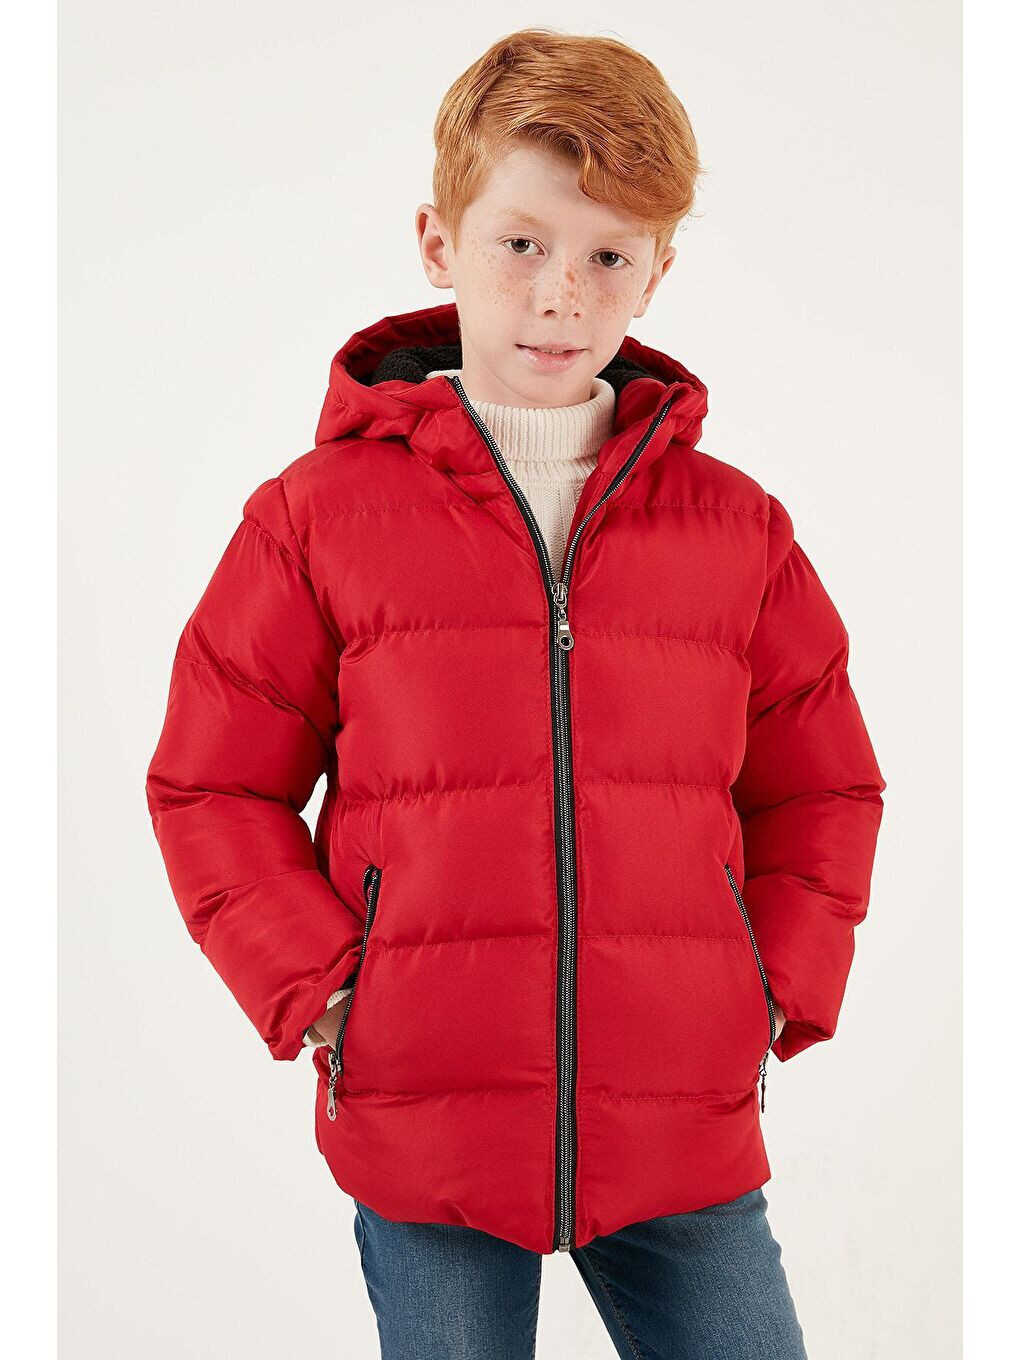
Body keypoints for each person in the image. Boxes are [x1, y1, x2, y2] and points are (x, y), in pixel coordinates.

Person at [145, 27, 885, 1360]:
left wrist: (771, 982)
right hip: (423, 1120)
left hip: (680, 1117)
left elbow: (823, 780)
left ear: (660, 269)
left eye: (609, 257)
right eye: (523, 244)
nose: (561, 296)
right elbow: (214, 785)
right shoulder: (315, 520)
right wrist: (325, 989)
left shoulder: (736, 531)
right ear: (439, 243)